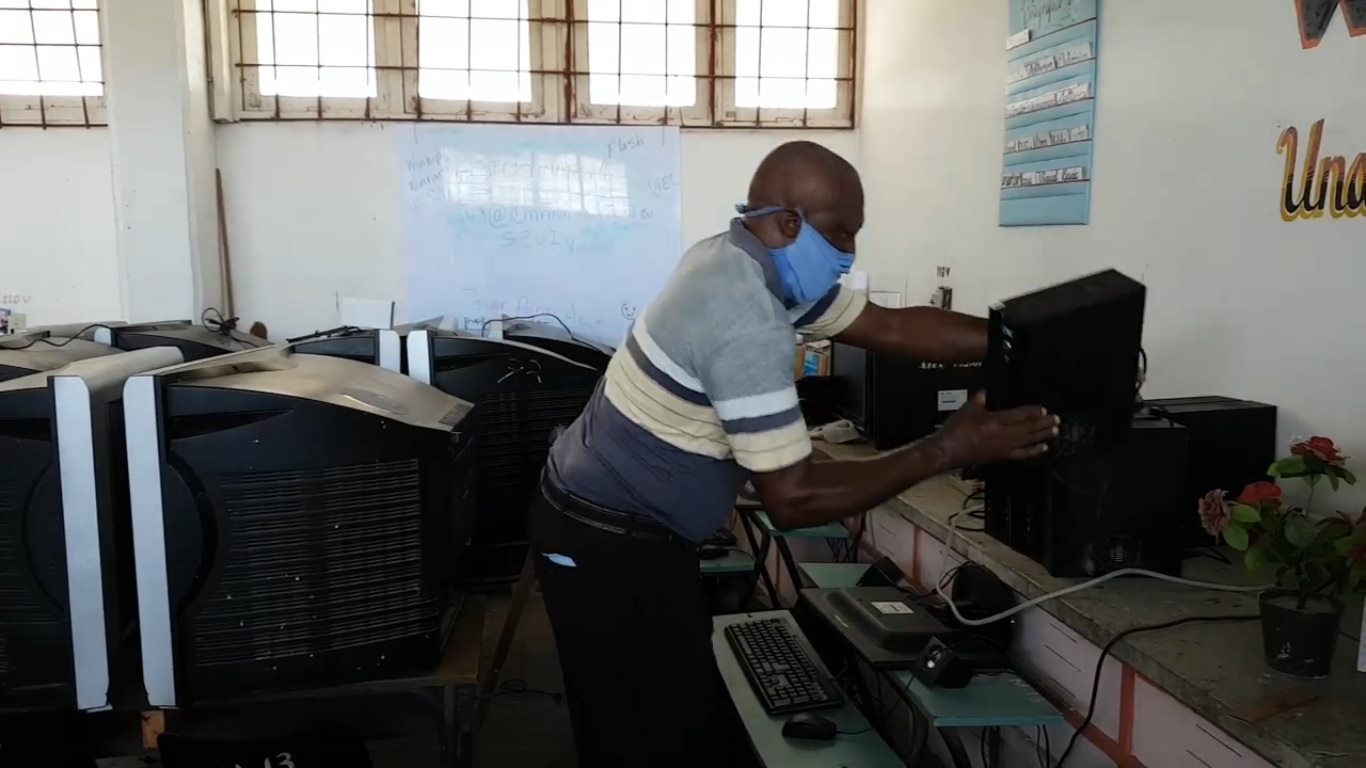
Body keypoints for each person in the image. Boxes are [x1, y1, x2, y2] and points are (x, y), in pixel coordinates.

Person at [529, 140, 1058, 766]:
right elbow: (794, 498)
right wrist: (950, 446)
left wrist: (1029, 348)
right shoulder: (744, 312)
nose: (850, 254)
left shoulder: (740, 257)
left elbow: (889, 328)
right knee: (651, 740)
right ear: (788, 222)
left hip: (616, 527)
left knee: (663, 723)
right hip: (610, 544)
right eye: (841, 235)